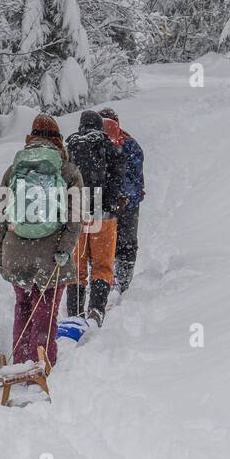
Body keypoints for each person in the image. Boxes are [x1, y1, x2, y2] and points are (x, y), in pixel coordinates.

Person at [0, 114, 85, 366]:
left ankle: (21, 363)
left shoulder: (13, 171)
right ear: (58, 139)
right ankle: (40, 368)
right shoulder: (68, 171)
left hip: (15, 253)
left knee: (23, 307)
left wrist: (1, 256)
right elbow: (75, 219)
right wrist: (64, 250)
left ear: (31, 137)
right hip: (51, 255)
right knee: (46, 312)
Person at [64, 110, 124, 325]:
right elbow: (118, 175)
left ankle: (74, 313)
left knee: (76, 267)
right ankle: (97, 309)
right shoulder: (107, 144)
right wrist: (110, 202)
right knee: (102, 265)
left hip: (77, 211)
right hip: (103, 212)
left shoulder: (69, 144)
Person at [100, 107, 144, 294]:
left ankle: (122, 285)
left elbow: (135, 179)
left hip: (124, 203)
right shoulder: (127, 145)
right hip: (108, 202)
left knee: (122, 243)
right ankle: (107, 281)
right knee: (112, 243)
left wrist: (121, 195)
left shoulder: (129, 146)